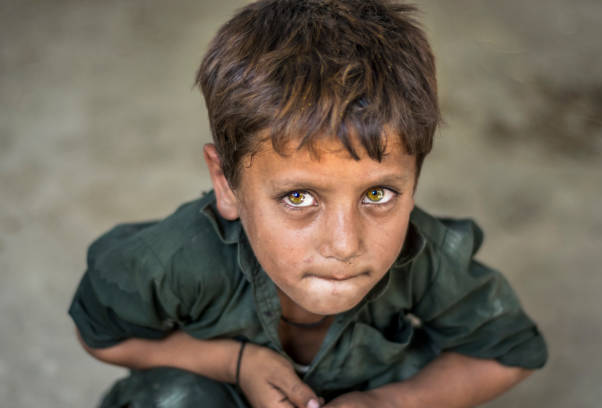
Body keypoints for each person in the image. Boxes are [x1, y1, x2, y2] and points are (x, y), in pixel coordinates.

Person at [69, 1, 547, 407]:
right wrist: (234, 363)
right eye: (299, 197)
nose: (344, 244)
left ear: (415, 179)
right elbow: (101, 332)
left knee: (427, 369)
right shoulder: (173, 259)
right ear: (227, 184)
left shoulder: (427, 260)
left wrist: (392, 402)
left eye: (378, 194)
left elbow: (509, 352)